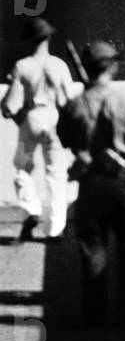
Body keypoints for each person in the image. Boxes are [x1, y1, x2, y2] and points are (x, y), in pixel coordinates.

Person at [56, 41, 125, 325]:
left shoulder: (74, 104)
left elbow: (66, 140)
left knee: (92, 246)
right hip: (120, 183)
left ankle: (95, 315)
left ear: (85, 68)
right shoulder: (124, 101)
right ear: (114, 66)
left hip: (90, 184)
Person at [1, 18, 75, 241]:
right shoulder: (60, 65)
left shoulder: (22, 66)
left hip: (30, 121)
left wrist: (11, 109)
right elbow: (68, 100)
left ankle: (31, 208)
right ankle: (55, 228)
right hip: (54, 120)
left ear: (29, 41)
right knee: (56, 173)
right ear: (48, 38)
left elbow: (10, 105)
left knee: (22, 167)